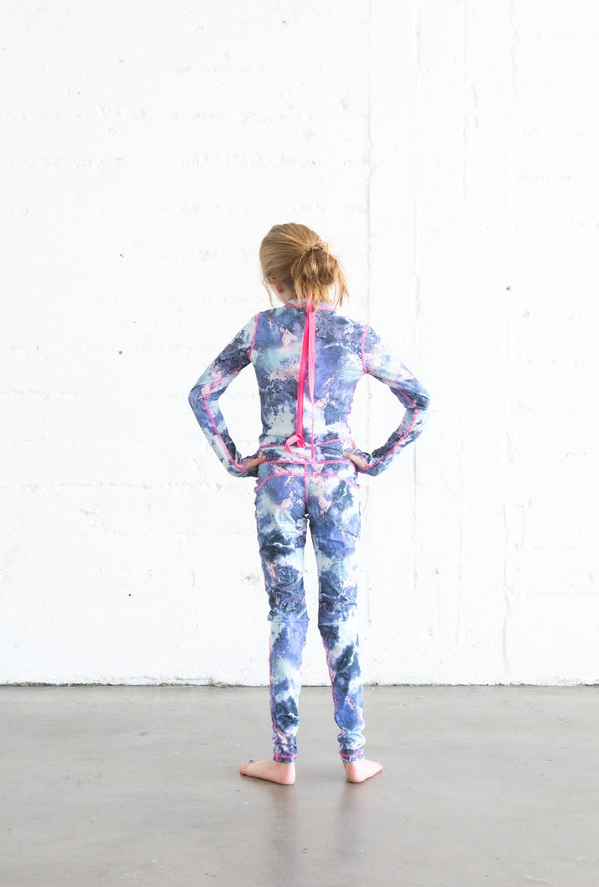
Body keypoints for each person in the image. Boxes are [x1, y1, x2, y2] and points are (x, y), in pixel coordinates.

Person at [188, 222, 430, 785]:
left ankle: (284, 758)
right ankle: (354, 757)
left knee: (286, 613)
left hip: (277, 482)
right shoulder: (355, 335)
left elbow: (202, 393)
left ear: (272, 278)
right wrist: (374, 458)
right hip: (337, 486)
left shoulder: (260, 330)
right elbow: (418, 400)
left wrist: (235, 459)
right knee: (340, 613)